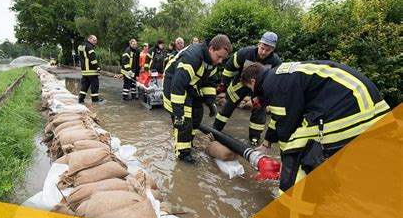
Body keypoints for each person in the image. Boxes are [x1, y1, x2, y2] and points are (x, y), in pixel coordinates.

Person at [241, 61, 390, 193]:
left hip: (354, 110)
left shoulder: (269, 85)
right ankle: (323, 188)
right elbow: (279, 118)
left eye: (249, 88)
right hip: (370, 106)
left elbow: (286, 129)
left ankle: (289, 204)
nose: (252, 92)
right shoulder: (278, 76)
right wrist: (267, 143)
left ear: (253, 81)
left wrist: (285, 164)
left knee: (297, 151)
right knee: (315, 153)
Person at [163, 34, 233, 163]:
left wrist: (211, 102)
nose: (220, 61)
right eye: (219, 56)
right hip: (173, 86)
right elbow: (177, 85)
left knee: (197, 114)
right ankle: (182, 155)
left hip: (191, 86)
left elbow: (209, 82)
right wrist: (178, 113)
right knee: (184, 121)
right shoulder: (192, 57)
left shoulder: (212, 61)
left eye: (223, 58)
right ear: (211, 48)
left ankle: (187, 143)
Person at [213, 32, 282, 145]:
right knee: (228, 105)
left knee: (259, 111)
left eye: (267, 50)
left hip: (260, 90)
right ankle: (216, 129)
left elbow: (275, 83)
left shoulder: (276, 63)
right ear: (258, 44)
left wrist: (266, 99)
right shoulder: (244, 53)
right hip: (240, 83)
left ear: (273, 49)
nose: (263, 52)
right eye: (262, 48)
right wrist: (223, 84)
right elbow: (230, 68)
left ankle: (254, 138)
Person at [78, 35, 102, 103]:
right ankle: (95, 99)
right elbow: (92, 59)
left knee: (84, 85)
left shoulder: (80, 46)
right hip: (91, 70)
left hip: (84, 71)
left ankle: (81, 98)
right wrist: (97, 67)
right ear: (89, 39)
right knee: (95, 85)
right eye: (94, 40)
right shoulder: (90, 47)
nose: (95, 42)